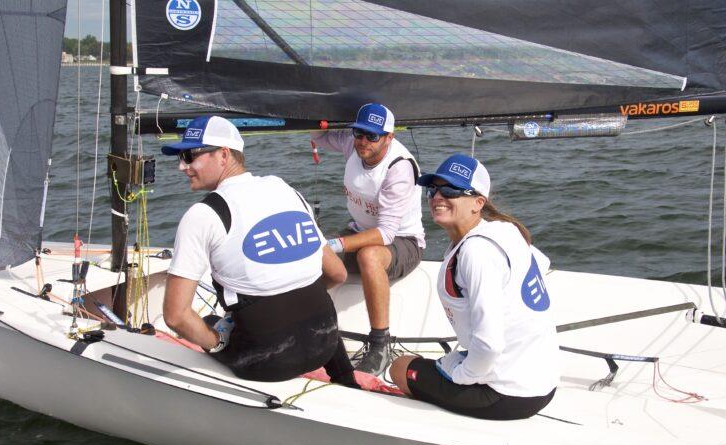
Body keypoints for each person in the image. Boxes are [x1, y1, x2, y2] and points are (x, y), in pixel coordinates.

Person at [162, 115, 358, 387]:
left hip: (266, 363)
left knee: (208, 322)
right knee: (303, 300)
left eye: (188, 155)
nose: (182, 166)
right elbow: (337, 273)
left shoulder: (202, 214)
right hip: (325, 344)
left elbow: (176, 316)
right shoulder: (285, 189)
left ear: (223, 155)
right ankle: (348, 381)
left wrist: (217, 343)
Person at [389, 154, 559, 419]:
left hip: (506, 394)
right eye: (433, 189)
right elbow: (542, 262)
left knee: (400, 368)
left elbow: (489, 345)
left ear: (478, 203)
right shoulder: (506, 230)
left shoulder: (476, 252)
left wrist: (460, 375)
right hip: (543, 384)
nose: (437, 197)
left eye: (451, 190)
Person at [311, 103, 425, 375]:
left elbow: (385, 233)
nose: (363, 142)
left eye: (372, 136)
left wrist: (336, 244)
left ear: (389, 137)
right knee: (312, 256)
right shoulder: (354, 145)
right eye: (359, 133)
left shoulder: (399, 168)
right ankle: (298, 318)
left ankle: (379, 345)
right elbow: (316, 135)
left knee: (368, 255)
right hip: (361, 231)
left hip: (403, 241)